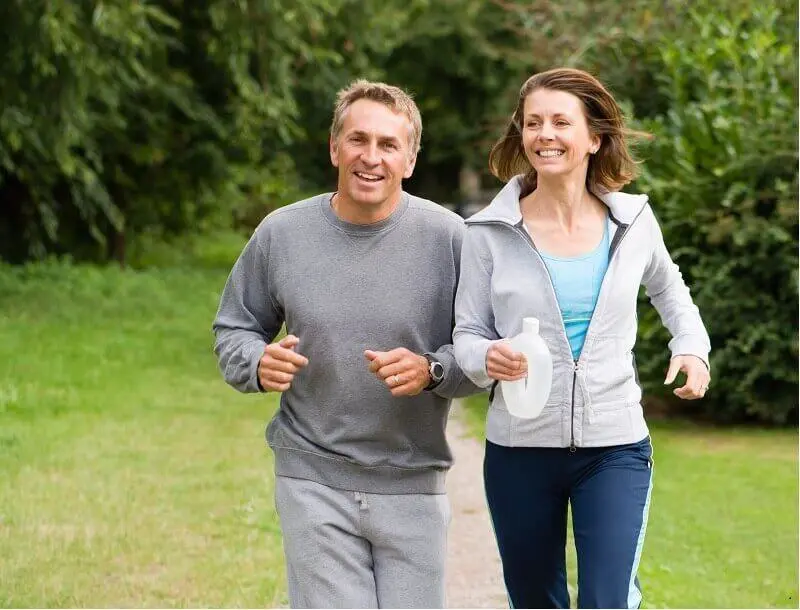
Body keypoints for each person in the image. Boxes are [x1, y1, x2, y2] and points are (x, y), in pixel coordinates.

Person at [212, 79, 478, 609]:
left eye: (388, 145)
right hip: (312, 476)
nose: (370, 157)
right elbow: (234, 327)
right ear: (335, 147)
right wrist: (256, 362)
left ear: (410, 159)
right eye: (358, 140)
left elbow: (482, 352)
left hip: (413, 483)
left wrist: (433, 370)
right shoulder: (281, 234)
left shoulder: (450, 238)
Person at [452, 68, 711, 609]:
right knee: (535, 600)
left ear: (594, 137)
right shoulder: (487, 234)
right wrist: (486, 357)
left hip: (614, 445)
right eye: (533, 123)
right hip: (519, 448)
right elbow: (468, 333)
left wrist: (691, 348)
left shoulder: (633, 221)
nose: (544, 134)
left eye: (560, 122)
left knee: (607, 601)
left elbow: (670, 289)